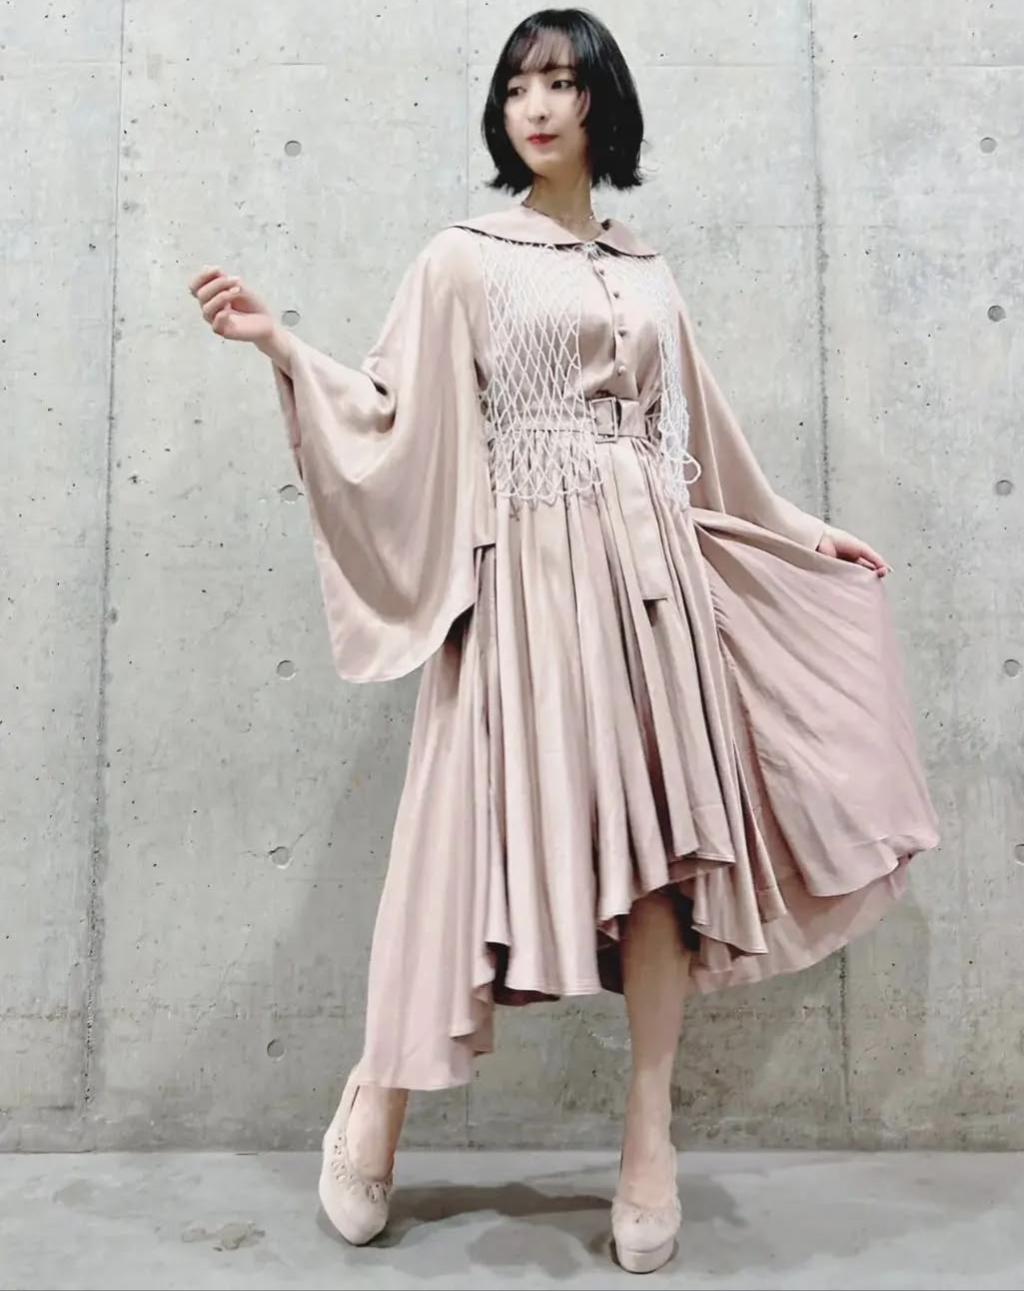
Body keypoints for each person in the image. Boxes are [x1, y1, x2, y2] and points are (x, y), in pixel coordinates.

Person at [188, 7, 939, 1275]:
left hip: (651, 592)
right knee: (456, 850)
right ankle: (375, 1096)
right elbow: (387, 411)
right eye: (516, 87)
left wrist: (800, 531)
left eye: (558, 83)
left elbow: (702, 440)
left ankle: (647, 1138)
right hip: (524, 584)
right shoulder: (462, 258)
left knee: (660, 860)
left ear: (601, 102)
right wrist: (283, 345)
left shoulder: (646, 271)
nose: (534, 107)